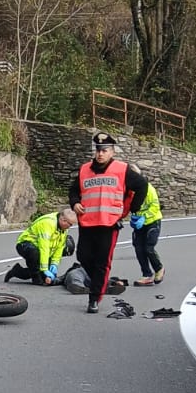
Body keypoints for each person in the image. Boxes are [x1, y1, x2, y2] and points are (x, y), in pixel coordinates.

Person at [69, 132, 147, 313]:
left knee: (102, 262)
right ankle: (101, 281)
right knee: (83, 256)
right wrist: (75, 202)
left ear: (112, 152)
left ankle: (94, 298)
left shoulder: (122, 169)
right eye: (98, 150)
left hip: (109, 223)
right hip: (87, 222)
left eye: (104, 150)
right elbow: (73, 190)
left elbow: (142, 185)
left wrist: (134, 208)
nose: (100, 154)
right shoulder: (84, 169)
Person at [5, 208, 77, 285]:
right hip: (25, 244)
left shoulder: (63, 228)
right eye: (70, 224)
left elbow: (59, 247)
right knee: (35, 257)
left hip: (39, 248)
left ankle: (16, 271)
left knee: (43, 275)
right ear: (63, 220)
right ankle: (36, 278)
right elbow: (44, 247)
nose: (70, 227)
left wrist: (54, 264)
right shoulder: (48, 223)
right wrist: (44, 269)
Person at [130, 173, 165, 285]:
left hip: (152, 221)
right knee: (138, 248)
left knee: (148, 248)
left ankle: (159, 268)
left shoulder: (149, 189)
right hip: (139, 224)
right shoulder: (129, 190)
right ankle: (147, 275)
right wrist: (133, 217)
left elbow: (155, 206)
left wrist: (144, 217)